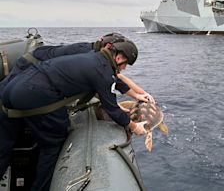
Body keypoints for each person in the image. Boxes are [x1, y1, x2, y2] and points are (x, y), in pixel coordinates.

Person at [0, 36, 147, 190]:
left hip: (15, 86)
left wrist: (136, 95)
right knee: (52, 143)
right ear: (119, 57)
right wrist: (134, 126)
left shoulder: (93, 56)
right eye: (125, 65)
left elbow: (113, 80)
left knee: (6, 139)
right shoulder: (102, 71)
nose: (124, 69)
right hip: (34, 92)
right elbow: (112, 109)